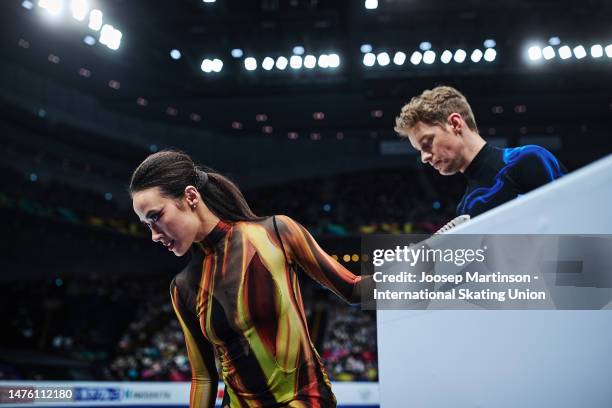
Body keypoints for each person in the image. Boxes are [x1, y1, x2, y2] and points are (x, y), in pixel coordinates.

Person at [130, 150, 371, 408]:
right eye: (147, 224)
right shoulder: (182, 287)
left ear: (190, 196)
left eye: (156, 216)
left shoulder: (277, 233)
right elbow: (203, 378)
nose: (154, 235)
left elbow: (354, 289)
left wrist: (419, 265)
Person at [394, 86, 566, 218]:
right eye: (420, 151)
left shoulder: (528, 160)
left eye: (427, 143)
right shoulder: (465, 208)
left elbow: (575, 220)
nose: (424, 158)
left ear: (455, 124)